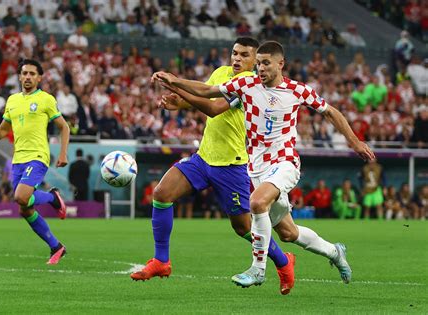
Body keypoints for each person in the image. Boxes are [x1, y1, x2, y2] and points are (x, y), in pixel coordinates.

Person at [153, 40, 375, 288]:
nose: (260, 68)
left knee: (256, 202)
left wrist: (354, 142)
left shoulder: (297, 90)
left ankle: (258, 270)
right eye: (258, 63)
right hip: (257, 168)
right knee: (289, 233)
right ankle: (335, 252)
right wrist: (174, 81)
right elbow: (207, 92)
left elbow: (330, 111)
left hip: (285, 163)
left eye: (266, 63)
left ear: (281, 64)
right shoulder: (245, 84)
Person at [131, 38, 296, 295]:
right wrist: (181, 103)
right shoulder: (221, 73)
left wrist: (176, 83)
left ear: (256, 62)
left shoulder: (252, 86)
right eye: (234, 53)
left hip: (231, 166)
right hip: (203, 157)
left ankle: (284, 262)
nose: (237, 59)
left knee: (243, 227)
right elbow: (201, 95)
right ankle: (161, 261)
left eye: (244, 55)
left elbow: (212, 108)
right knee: (162, 194)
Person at [0, 59, 70, 265]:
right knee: (24, 208)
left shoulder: (46, 99)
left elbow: (64, 127)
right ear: (19, 76)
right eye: (24, 73)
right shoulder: (12, 101)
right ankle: (56, 246)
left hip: (37, 156)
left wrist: (63, 154)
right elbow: (3, 130)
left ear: (39, 78)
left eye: (32, 74)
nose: (27, 77)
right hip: (18, 159)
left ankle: (53, 199)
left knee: (20, 196)